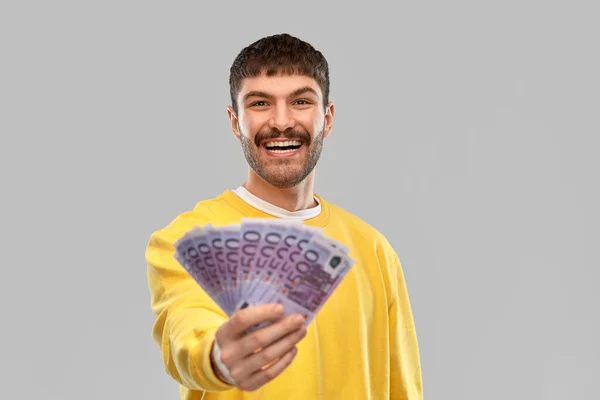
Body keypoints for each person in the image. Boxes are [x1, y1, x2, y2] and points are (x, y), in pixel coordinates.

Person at [145, 33, 423, 400]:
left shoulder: (374, 250)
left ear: (327, 118)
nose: (281, 121)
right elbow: (184, 332)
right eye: (260, 103)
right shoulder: (184, 240)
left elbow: (402, 390)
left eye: (301, 101)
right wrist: (218, 358)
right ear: (234, 121)